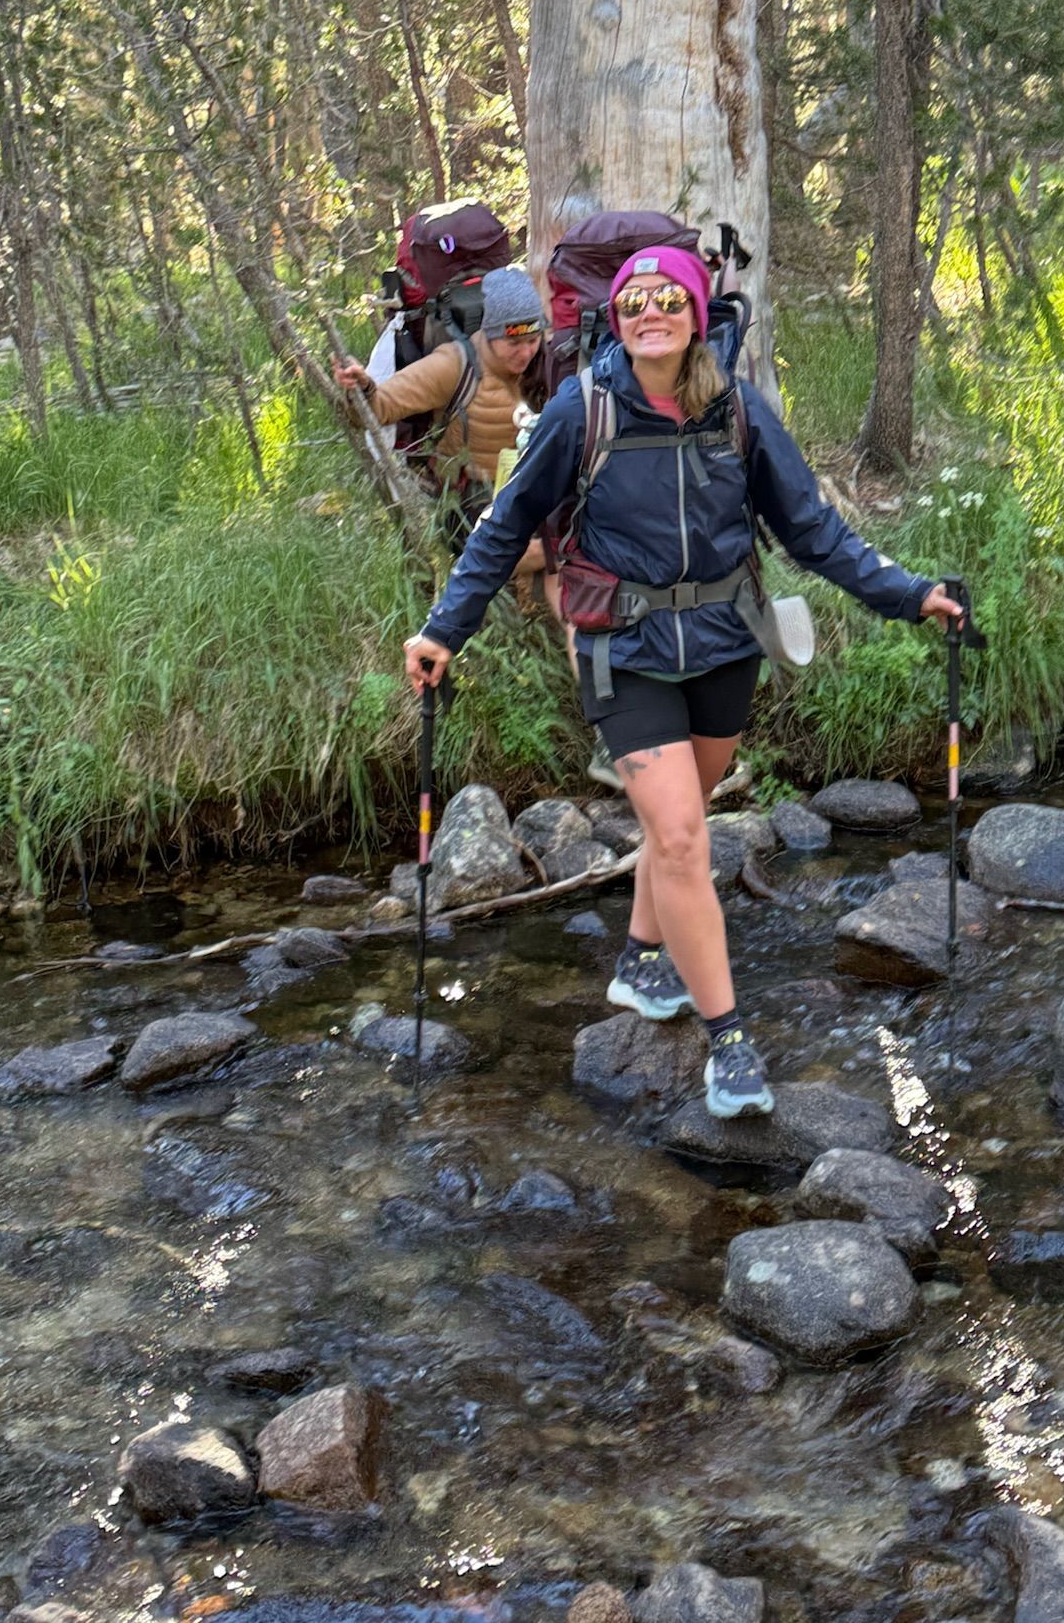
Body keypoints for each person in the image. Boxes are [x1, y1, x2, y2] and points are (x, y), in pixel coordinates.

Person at [403, 245, 965, 1118]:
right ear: (616, 320)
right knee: (681, 836)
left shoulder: (737, 411)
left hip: (723, 643)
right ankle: (730, 1041)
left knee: (678, 831)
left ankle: (639, 956)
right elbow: (505, 525)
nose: (649, 311)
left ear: (697, 314)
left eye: (668, 298)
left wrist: (909, 593)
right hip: (621, 651)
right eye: (634, 301)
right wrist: (445, 630)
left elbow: (812, 529)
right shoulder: (580, 409)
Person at [334, 267, 548, 564]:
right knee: (543, 554)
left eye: (532, 340)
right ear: (489, 332)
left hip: (533, 494)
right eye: (514, 343)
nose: (525, 353)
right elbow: (377, 410)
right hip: (470, 506)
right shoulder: (453, 365)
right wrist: (362, 387)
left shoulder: (548, 363)